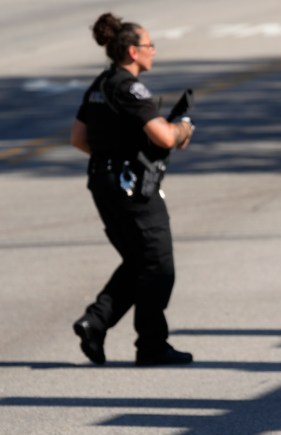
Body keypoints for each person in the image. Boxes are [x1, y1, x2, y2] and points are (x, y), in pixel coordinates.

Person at [70, 12, 195, 366]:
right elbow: (164, 136)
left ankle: (95, 322)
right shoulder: (129, 87)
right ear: (131, 51)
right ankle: (151, 346)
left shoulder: (100, 84)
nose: (153, 50)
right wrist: (183, 127)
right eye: (148, 45)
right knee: (158, 265)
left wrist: (113, 157)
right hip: (132, 189)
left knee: (140, 261)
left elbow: (78, 138)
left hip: (103, 183)